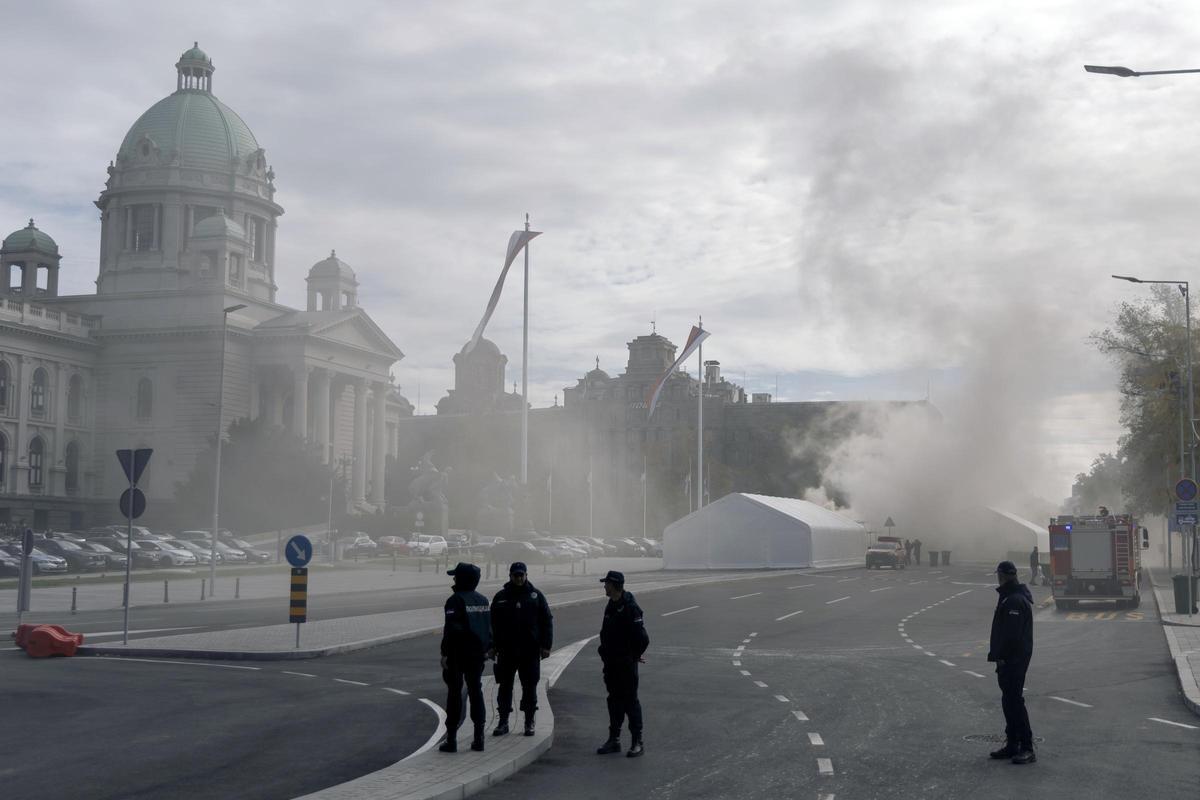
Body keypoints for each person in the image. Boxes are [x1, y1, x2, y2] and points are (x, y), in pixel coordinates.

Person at [489, 561, 554, 737]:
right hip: (506, 651)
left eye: (521, 575)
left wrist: (546, 646)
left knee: (530, 687)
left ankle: (529, 722)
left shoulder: (535, 596)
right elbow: (492, 624)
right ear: (510, 576)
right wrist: (492, 646)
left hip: (529, 651)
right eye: (515, 575)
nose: (518, 578)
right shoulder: (501, 597)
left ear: (526, 575)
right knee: (504, 687)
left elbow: (547, 621)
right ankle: (503, 722)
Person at [439, 562, 492, 754]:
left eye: (455, 576)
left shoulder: (455, 600)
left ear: (461, 579)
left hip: (457, 654)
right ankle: (479, 738)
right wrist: (488, 648)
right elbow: (488, 628)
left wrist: (445, 653)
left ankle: (451, 739)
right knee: (475, 692)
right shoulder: (483, 600)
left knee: (454, 694)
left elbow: (451, 630)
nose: (453, 579)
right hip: (477, 655)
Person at [596, 570, 650, 758]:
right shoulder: (611, 604)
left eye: (606, 584)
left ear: (613, 585)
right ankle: (614, 740)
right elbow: (605, 633)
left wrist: (633, 656)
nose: (604, 586)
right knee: (614, 700)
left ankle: (637, 742)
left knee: (630, 702)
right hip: (611, 664)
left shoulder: (630, 607)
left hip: (625, 665)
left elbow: (642, 638)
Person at [986, 560, 1035, 764]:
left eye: (999, 574)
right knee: (1009, 701)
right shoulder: (1010, 596)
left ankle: (1027, 747)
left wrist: (1003, 657)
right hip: (1009, 659)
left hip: (1013, 660)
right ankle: (1013, 743)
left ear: (1003, 575)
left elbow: (1012, 636)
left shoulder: (1014, 600)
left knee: (1014, 702)